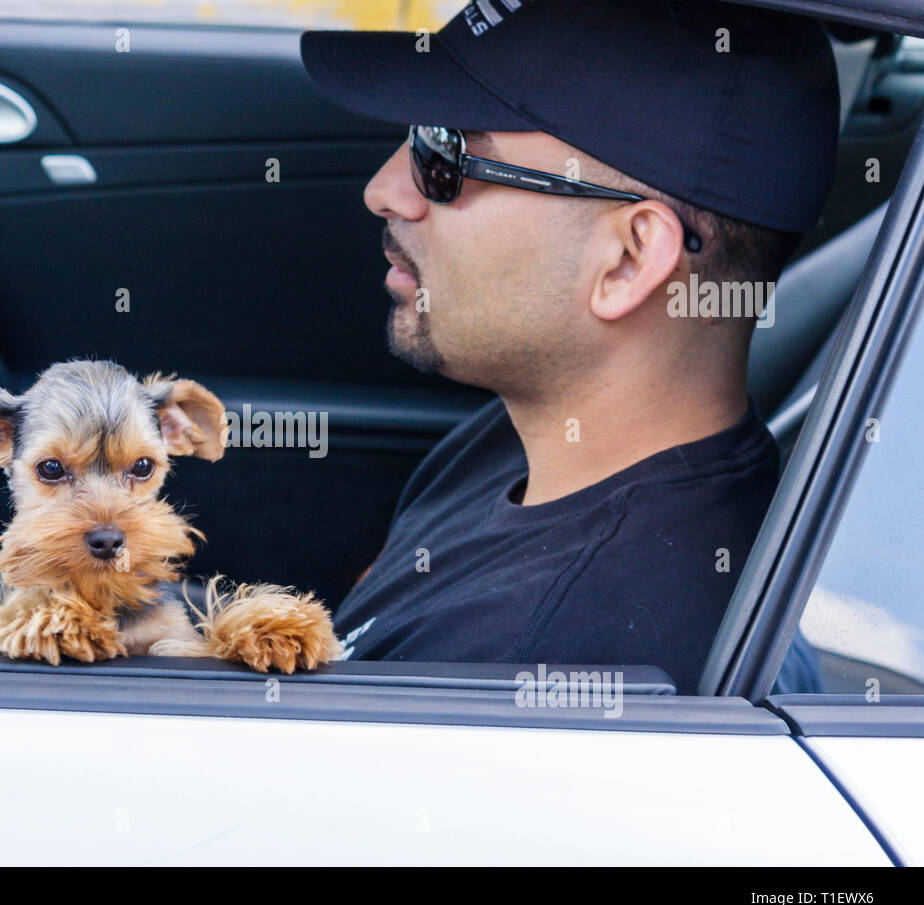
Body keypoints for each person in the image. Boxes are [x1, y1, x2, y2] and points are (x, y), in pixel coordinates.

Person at [301, 0, 835, 693]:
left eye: (445, 152)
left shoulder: (543, 672)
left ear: (628, 261)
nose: (384, 190)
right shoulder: (516, 439)